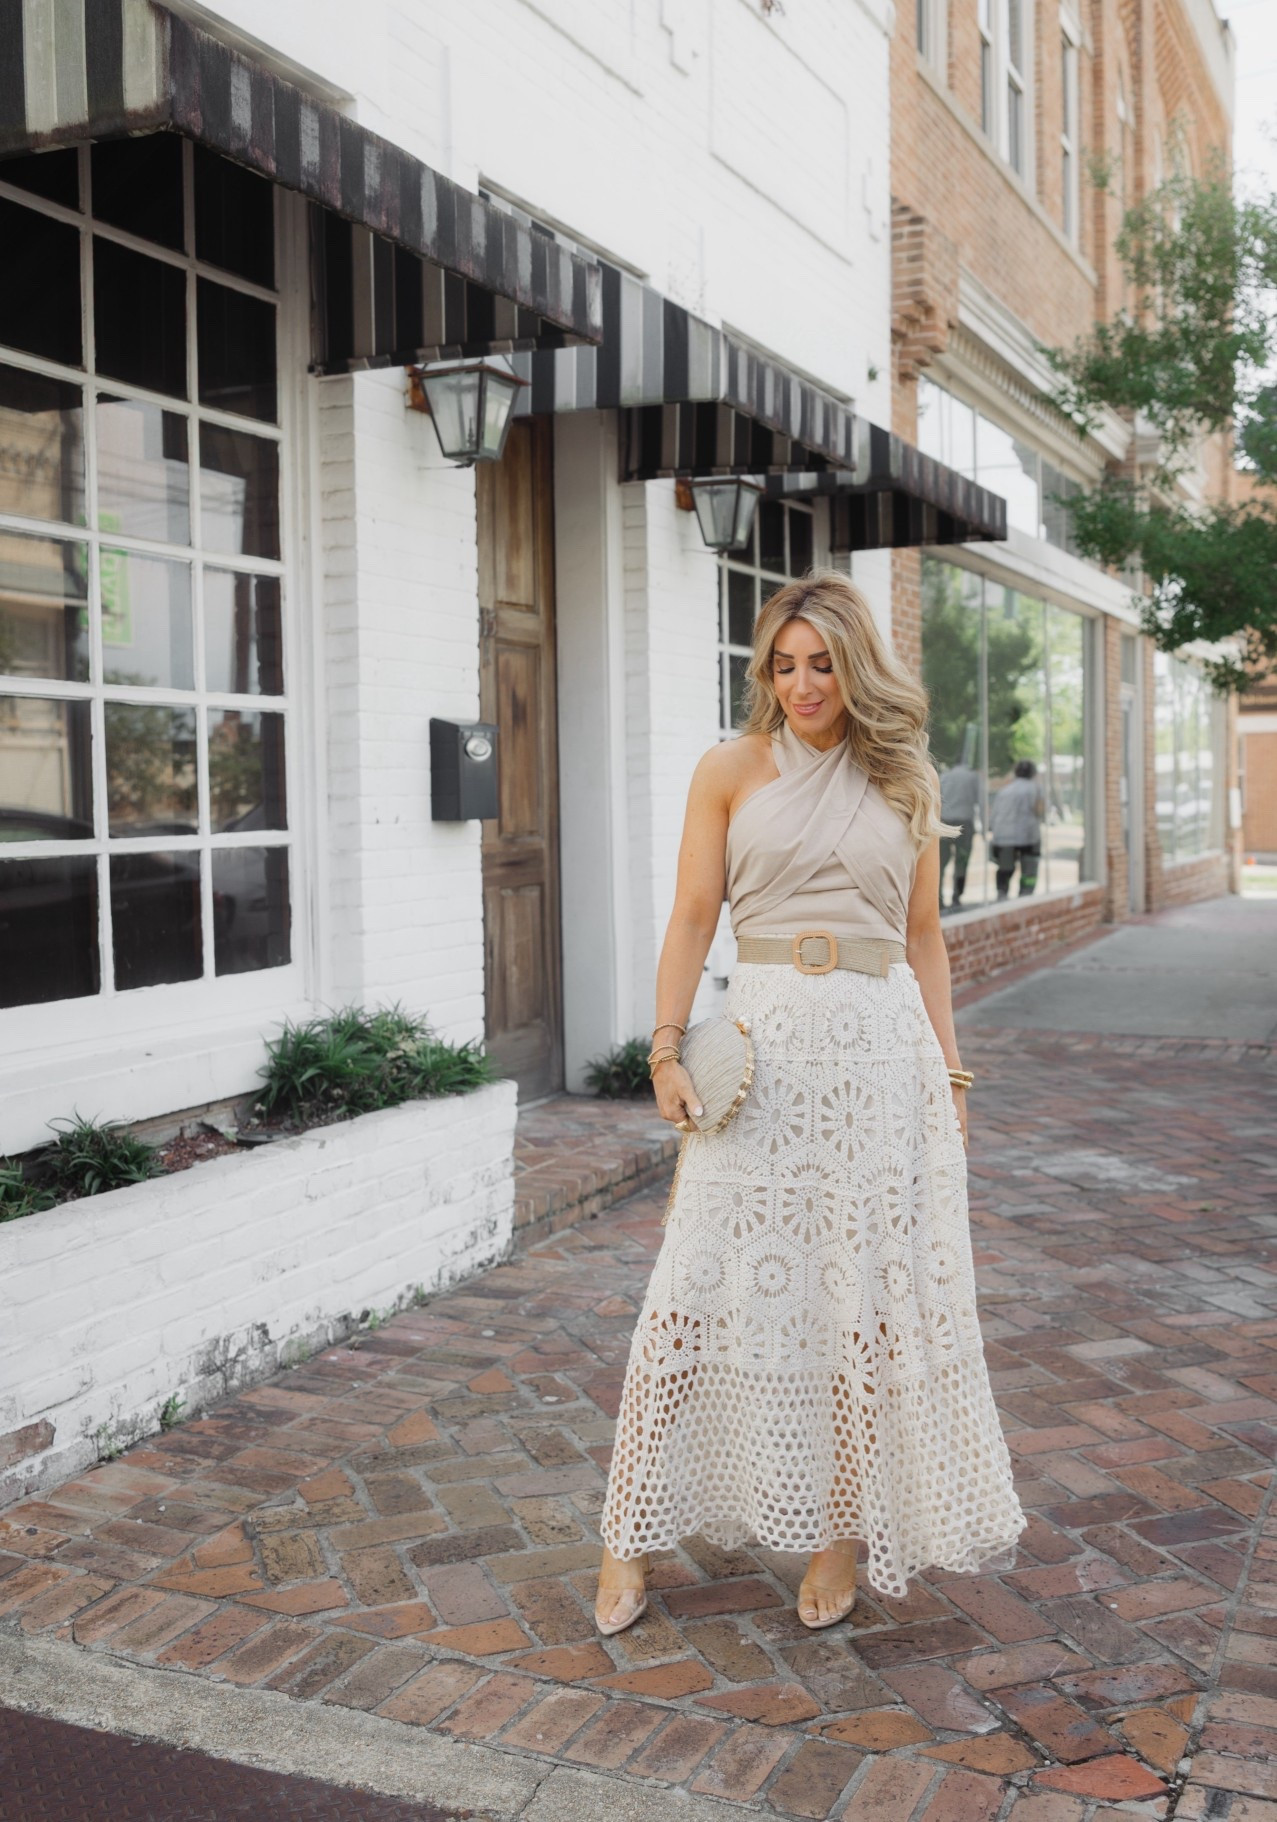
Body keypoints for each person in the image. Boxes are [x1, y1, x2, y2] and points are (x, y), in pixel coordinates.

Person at [594, 572, 1024, 1636]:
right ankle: (627, 1530)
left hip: (882, 1062)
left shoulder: (903, 774)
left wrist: (952, 1076)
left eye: (820, 662)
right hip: (764, 1048)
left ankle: (838, 1534)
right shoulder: (729, 769)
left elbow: (923, 938)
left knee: (861, 1308)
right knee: (691, 1288)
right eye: (781, 665)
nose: (800, 683)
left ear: (854, 664)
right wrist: (662, 1049)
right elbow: (695, 914)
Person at [989, 759, 1045, 899]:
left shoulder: (1005, 790)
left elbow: (994, 815)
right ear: (1033, 773)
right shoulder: (1036, 788)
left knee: (1005, 869)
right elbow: (1040, 811)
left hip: (1003, 837)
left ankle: (1002, 894)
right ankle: (1025, 896)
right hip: (1028, 837)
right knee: (1029, 870)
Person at [938, 757, 981, 911]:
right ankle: (956, 896)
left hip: (944, 821)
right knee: (961, 861)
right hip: (964, 822)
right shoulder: (972, 777)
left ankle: (939, 898)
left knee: (940, 863)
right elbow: (980, 801)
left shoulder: (945, 776)